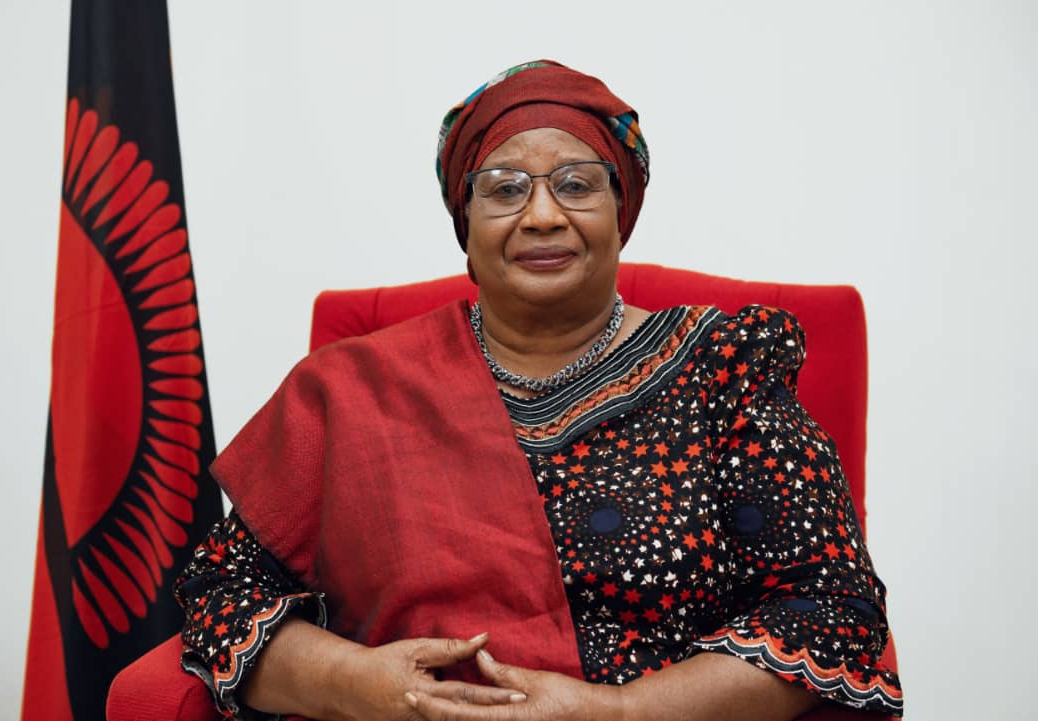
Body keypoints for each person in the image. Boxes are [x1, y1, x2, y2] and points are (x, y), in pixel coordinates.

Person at [175, 60, 904, 721]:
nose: (544, 215)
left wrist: (618, 713)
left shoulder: (724, 372)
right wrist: (355, 683)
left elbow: (832, 607)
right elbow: (220, 595)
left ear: (622, 210)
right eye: (505, 189)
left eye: (577, 184)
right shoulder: (350, 392)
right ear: (465, 222)